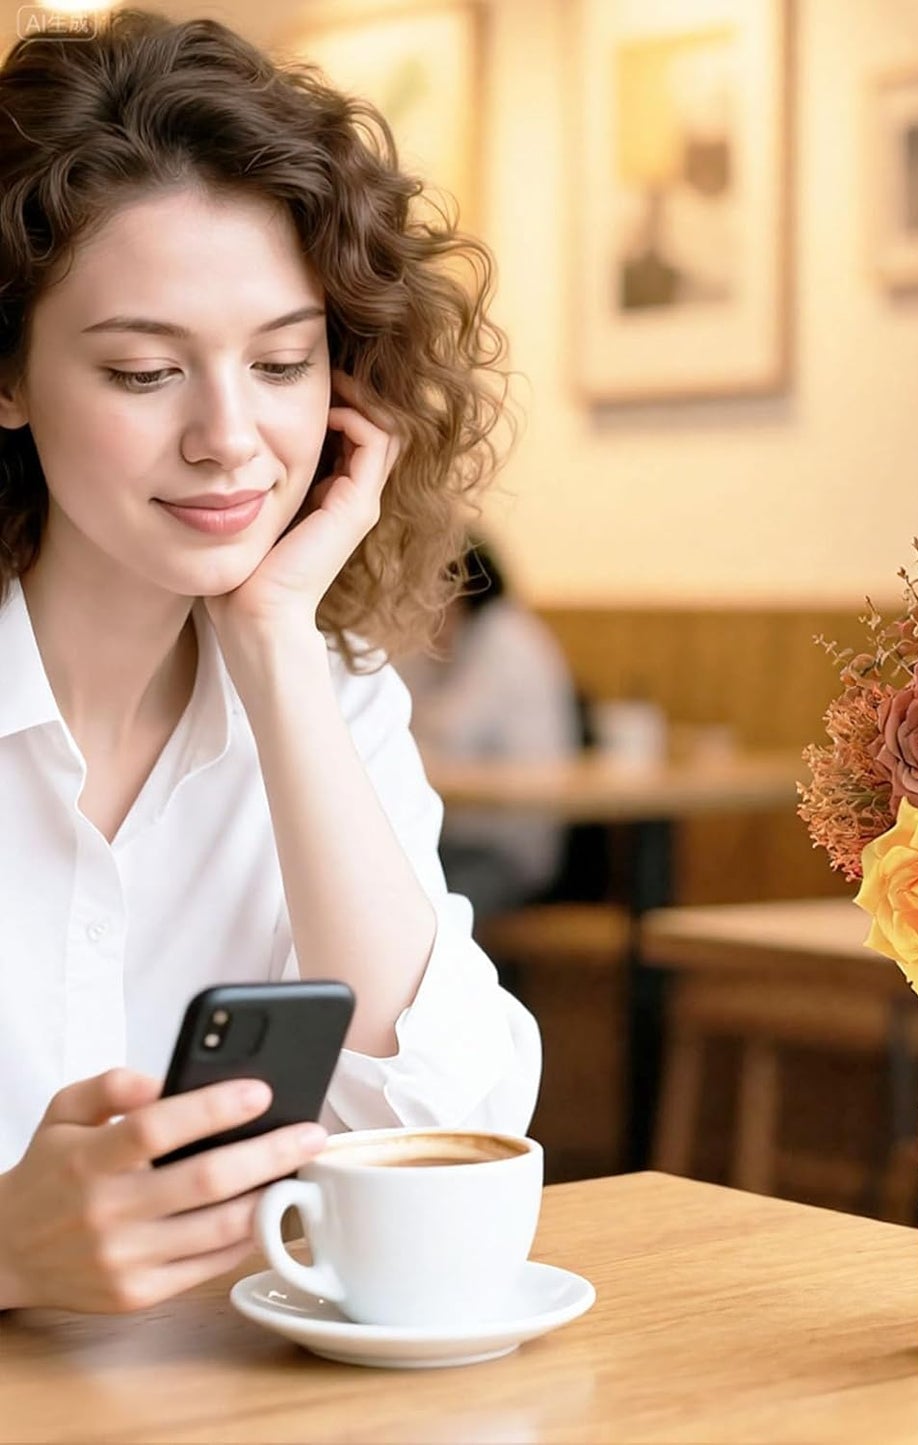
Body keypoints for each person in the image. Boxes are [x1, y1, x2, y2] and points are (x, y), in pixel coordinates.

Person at [0, 10, 538, 1314]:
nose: (231, 439)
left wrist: (276, 643)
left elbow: (450, 1122)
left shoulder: (325, 690)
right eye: (143, 372)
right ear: (7, 374)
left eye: (284, 362)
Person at [401, 540, 584, 921]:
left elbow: (445, 729)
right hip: (456, 837)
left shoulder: (506, 637)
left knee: (426, 911)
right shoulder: (456, 640)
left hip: (506, 848)